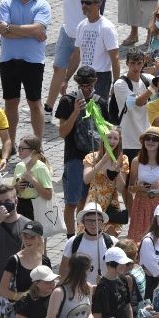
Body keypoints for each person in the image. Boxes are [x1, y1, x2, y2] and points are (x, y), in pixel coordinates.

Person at [0, 0, 51, 144]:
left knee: (35, 103)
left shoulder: (42, 5)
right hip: (8, 60)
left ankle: (38, 144)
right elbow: (3, 32)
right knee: (10, 104)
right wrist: (32, 32)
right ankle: (9, 144)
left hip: (33, 62)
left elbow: (36, 28)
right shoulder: (6, 3)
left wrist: (11, 28)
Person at [46, 0, 96, 122]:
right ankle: (48, 109)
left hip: (81, 33)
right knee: (58, 67)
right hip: (68, 30)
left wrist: (88, 27)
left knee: (82, 74)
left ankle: (86, 112)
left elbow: (94, 1)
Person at [56, 68, 110, 235]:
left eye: (89, 85)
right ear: (77, 83)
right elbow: (62, 132)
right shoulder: (67, 100)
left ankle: (82, 234)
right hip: (74, 157)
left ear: (95, 82)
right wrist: (75, 112)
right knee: (71, 202)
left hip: (94, 158)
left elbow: (105, 133)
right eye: (82, 85)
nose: (86, 89)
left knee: (86, 201)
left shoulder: (100, 102)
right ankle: (71, 237)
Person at [64, 0, 120, 99]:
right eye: (82, 2)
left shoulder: (107, 28)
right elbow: (76, 56)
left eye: (88, 3)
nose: (84, 5)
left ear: (98, 5)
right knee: (83, 113)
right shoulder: (81, 26)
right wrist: (65, 79)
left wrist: (116, 84)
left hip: (100, 78)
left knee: (97, 113)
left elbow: (115, 58)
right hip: (83, 77)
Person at [128, 126, 159, 241]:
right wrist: (140, 188)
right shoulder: (136, 161)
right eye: (147, 138)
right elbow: (130, 188)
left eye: (154, 139)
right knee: (138, 238)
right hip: (141, 202)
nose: (150, 141)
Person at [82, 127, 128, 236]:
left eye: (115, 138)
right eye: (109, 138)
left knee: (109, 238)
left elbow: (121, 188)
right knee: (90, 235)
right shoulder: (91, 157)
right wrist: (103, 160)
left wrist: (116, 172)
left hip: (111, 204)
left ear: (119, 141)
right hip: (94, 201)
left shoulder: (123, 159)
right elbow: (86, 179)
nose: (112, 141)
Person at [60, 203, 119, 286]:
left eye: (97, 220)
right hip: (81, 290)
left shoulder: (112, 242)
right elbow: (64, 270)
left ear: (102, 221)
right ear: (83, 221)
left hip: (105, 291)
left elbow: (121, 269)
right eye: (89, 220)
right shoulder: (73, 242)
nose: (94, 224)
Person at [13, 136, 54, 222]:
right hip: (21, 205)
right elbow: (12, 191)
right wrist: (16, 187)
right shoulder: (19, 166)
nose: (19, 151)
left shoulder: (41, 168)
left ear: (33, 151)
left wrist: (32, 180)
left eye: (22, 148)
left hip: (36, 207)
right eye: (18, 148)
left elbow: (48, 195)